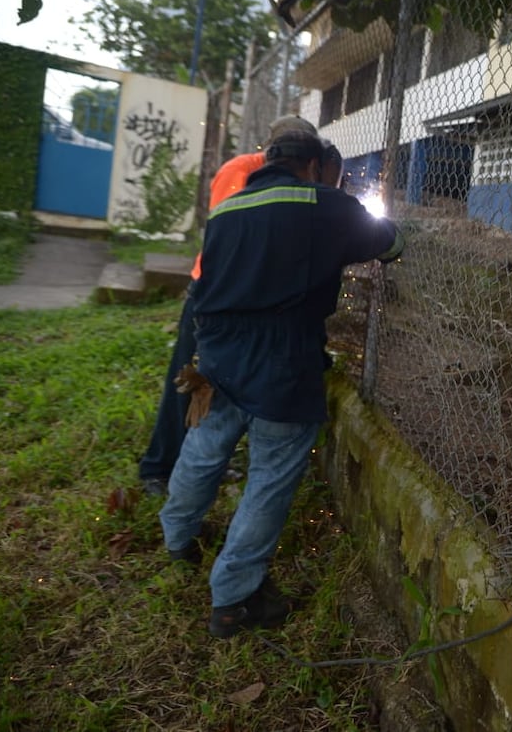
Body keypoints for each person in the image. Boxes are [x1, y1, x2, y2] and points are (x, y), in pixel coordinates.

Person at [159, 130, 404, 638]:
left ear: (266, 160)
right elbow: (390, 243)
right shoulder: (326, 203)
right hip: (282, 358)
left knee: (205, 446)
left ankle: (177, 536)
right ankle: (234, 600)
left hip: (220, 351)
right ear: (314, 165)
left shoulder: (229, 208)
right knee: (268, 479)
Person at [137, 115, 319, 496]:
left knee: (224, 387)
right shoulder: (240, 171)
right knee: (189, 378)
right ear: (271, 149)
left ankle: (203, 465)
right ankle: (158, 466)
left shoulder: (301, 181)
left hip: (246, 301)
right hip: (213, 295)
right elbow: (233, 236)